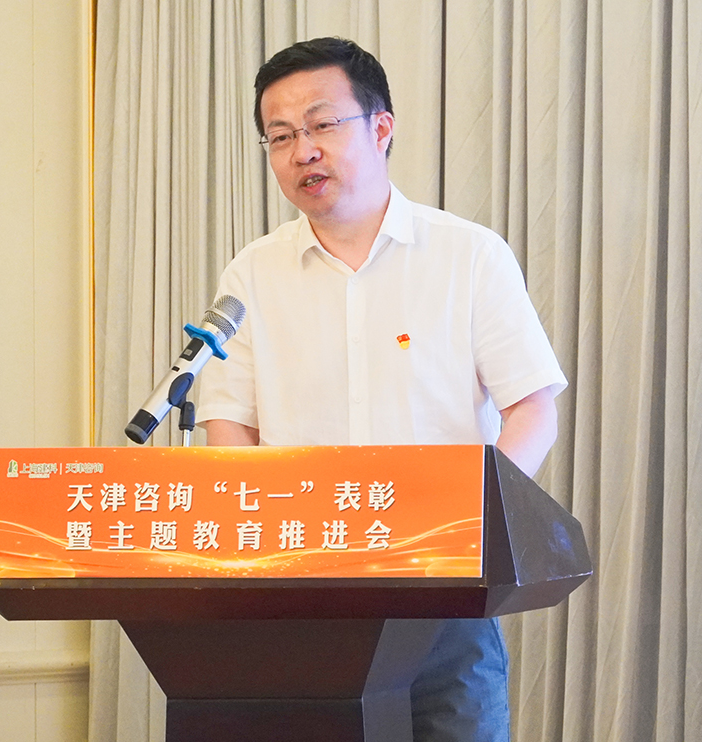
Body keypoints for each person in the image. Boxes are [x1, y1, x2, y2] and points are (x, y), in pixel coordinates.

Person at [197, 36, 567, 742]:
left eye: (322, 124)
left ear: (381, 127)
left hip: (445, 599)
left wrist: (473, 521)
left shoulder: (467, 255)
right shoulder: (252, 274)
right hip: (304, 596)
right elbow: (229, 425)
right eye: (281, 136)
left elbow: (532, 408)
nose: (303, 150)